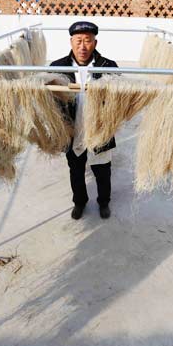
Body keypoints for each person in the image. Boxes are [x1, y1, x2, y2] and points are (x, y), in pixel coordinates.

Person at [50, 21, 118, 220]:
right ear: (71, 42)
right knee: (76, 171)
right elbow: (50, 99)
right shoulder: (58, 67)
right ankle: (79, 202)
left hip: (100, 129)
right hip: (73, 129)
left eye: (87, 41)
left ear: (95, 43)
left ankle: (104, 202)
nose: (83, 46)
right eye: (78, 41)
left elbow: (120, 97)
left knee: (103, 170)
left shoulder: (108, 66)